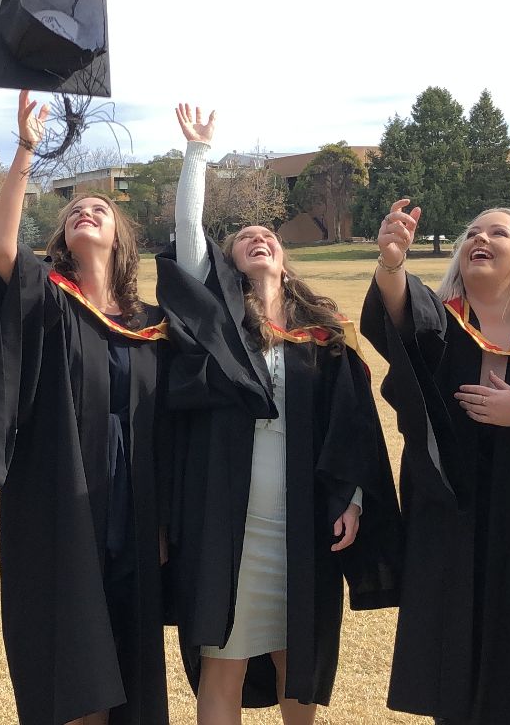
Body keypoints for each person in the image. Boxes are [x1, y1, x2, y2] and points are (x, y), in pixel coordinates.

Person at [154, 105, 399, 723]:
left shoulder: (323, 333)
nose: (257, 239)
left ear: (284, 257)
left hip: (302, 517)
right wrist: (197, 154)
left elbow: (355, 426)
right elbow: (188, 235)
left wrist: (354, 499)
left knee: (301, 656)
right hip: (229, 515)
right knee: (224, 662)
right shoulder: (219, 326)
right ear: (229, 264)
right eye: (243, 239)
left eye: (269, 236)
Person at [0, 90, 174, 725]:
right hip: (60, 500)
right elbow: (1, 247)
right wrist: (25, 152)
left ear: (121, 237)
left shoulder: (153, 324)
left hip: (134, 500)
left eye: (99, 208)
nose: (85, 212)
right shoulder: (49, 298)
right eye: (73, 211)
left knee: (128, 654)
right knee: (74, 662)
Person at [361, 198, 510, 725]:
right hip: (451, 522)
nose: (478, 240)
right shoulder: (443, 323)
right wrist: (392, 262)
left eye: (497, 233)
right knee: (454, 674)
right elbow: (395, 321)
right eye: (472, 232)